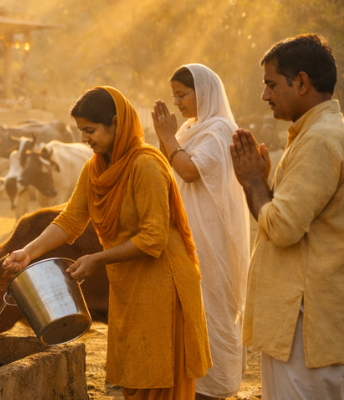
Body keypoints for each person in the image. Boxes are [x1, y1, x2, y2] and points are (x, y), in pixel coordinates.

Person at [4, 87, 211, 400]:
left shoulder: (146, 166)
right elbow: (69, 220)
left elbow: (153, 238)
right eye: (81, 131)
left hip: (164, 284)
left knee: (161, 378)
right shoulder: (95, 169)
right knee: (135, 373)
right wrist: (27, 252)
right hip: (129, 283)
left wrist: (97, 259)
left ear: (117, 124)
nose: (85, 139)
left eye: (91, 130)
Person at [230, 34, 344, 400]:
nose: (265, 96)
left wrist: (254, 181)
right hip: (310, 320)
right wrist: (253, 186)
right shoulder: (320, 134)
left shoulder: (320, 139)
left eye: (271, 85)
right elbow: (283, 220)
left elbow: (282, 228)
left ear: (302, 83)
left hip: (307, 324)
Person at [151, 64, 249, 400]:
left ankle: (215, 386)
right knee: (190, 309)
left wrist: (167, 137)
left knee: (212, 307)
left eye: (182, 94)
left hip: (212, 237)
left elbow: (190, 171)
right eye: (174, 95)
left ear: (204, 92)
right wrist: (170, 139)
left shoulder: (219, 129)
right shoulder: (194, 128)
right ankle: (192, 384)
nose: (176, 102)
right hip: (188, 232)